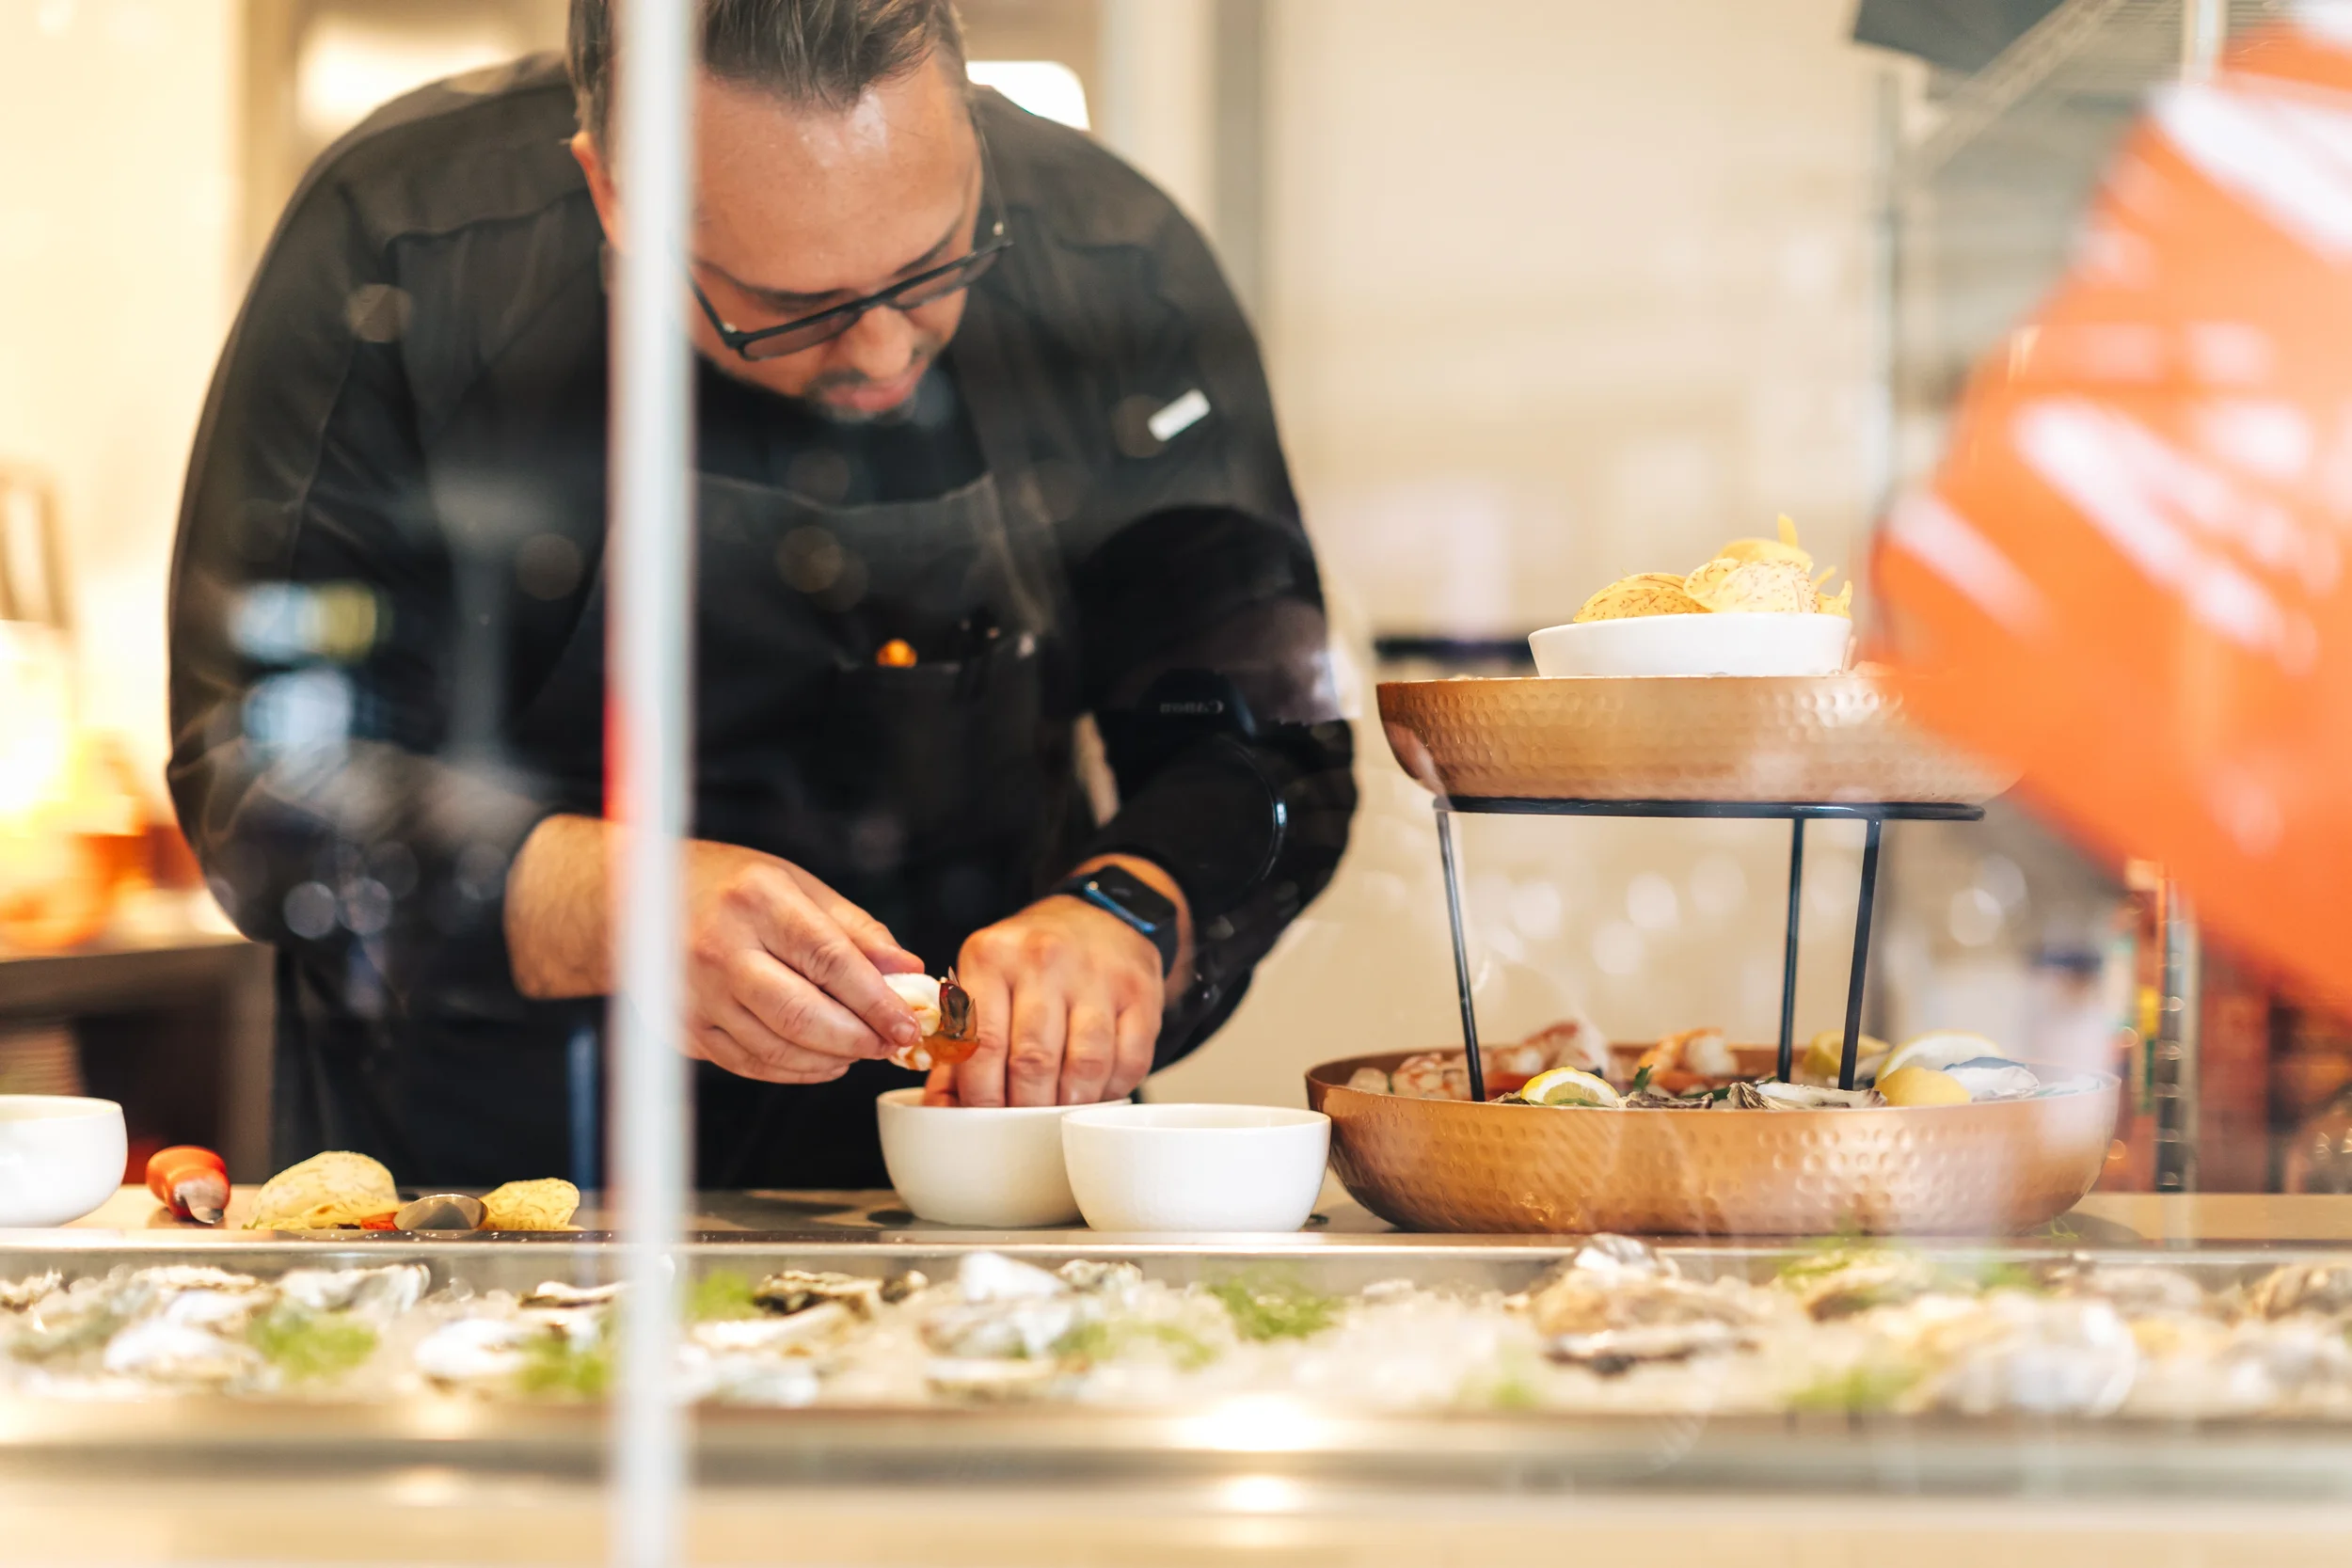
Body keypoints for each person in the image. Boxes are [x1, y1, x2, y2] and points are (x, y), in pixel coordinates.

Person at [167, 0, 1355, 1189]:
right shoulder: (403, 246)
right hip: (475, 1194)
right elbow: (261, 766)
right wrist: (605, 899)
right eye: (795, 308)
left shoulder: (1114, 258)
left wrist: (1126, 910)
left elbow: (1261, 742)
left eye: (939, 259)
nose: (887, 352)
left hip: (981, 1194)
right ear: (615, 197)